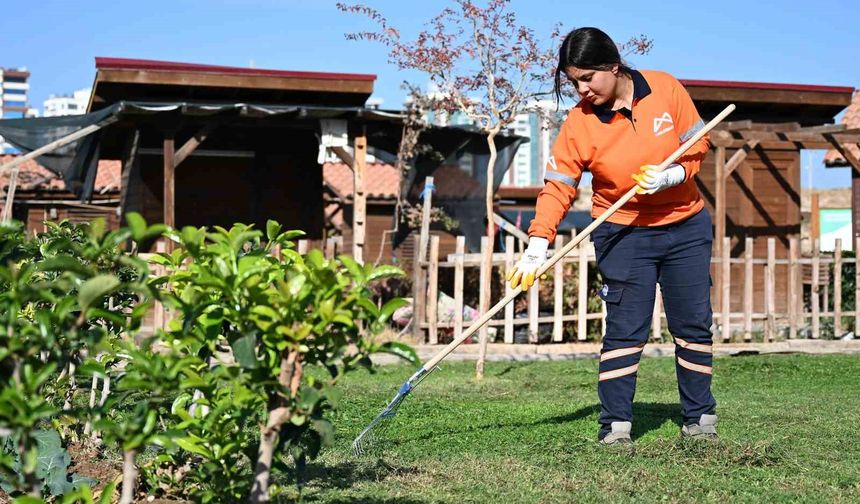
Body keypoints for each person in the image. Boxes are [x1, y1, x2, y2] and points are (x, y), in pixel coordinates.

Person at [506, 27, 717, 444]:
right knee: (625, 328)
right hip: (623, 233)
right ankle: (616, 426)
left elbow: (699, 143)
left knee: (693, 324)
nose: (581, 89)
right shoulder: (579, 124)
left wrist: (675, 174)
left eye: (587, 78)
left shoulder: (665, 88)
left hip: (686, 226)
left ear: (613, 66)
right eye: (573, 82)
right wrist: (537, 243)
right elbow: (558, 186)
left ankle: (700, 419)